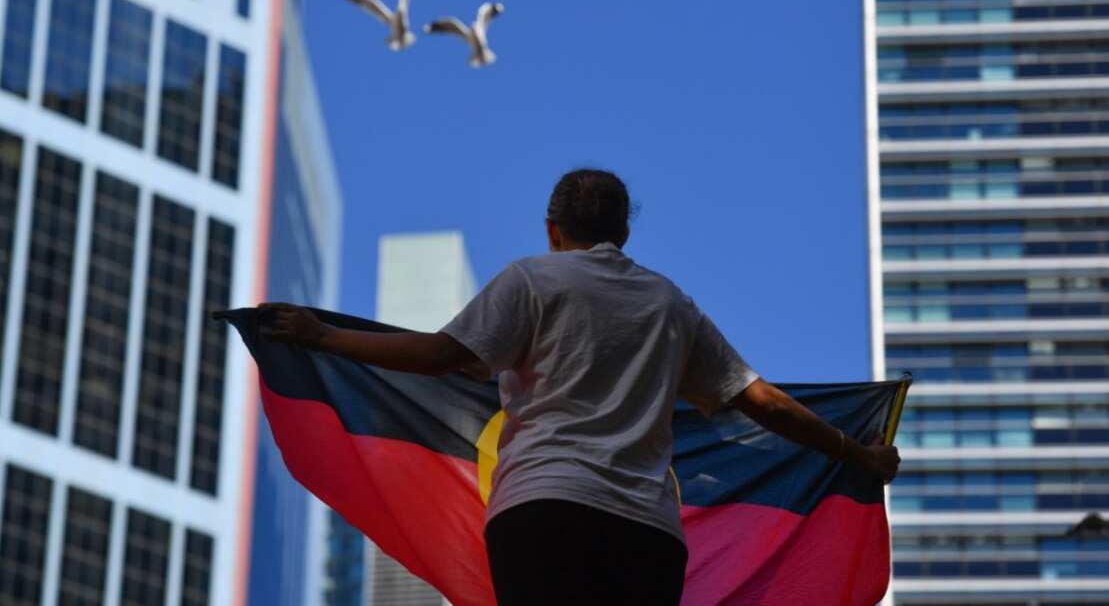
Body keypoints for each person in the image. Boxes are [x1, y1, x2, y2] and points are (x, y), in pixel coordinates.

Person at [260, 168, 901, 606]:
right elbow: (758, 401)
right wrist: (855, 453)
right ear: (624, 231)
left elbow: (439, 356)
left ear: (552, 228)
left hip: (542, 515)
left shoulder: (534, 280)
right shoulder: (669, 305)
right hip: (644, 535)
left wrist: (322, 336)